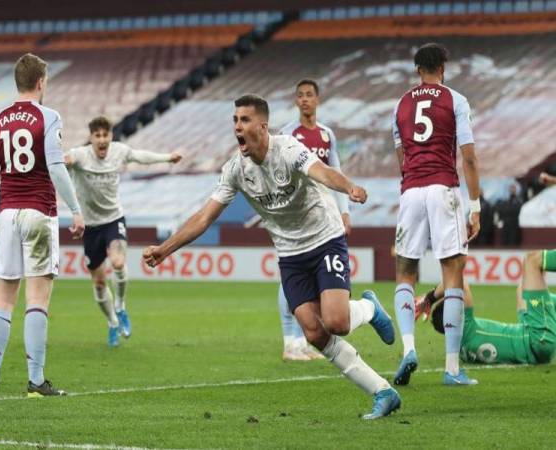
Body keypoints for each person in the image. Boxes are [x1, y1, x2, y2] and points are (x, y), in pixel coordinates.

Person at [143, 94, 401, 420]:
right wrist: (165, 249)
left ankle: (368, 308)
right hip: (290, 254)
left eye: (245, 120)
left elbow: (321, 171)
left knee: (337, 321)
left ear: (262, 126)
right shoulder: (236, 170)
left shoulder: (288, 149)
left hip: (324, 239)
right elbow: (204, 217)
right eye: (235, 120)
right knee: (313, 332)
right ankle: (382, 391)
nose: (237, 126)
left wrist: (348, 187)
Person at [0, 53, 85, 397]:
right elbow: (55, 167)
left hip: (6, 214)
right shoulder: (48, 117)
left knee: (3, 300)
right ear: (40, 82)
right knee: (37, 298)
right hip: (38, 212)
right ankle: (36, 381)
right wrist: (76, 210)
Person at [391, 43, 481, 386]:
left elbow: (401, 160)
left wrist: (413, 182)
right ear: (443, 67)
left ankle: (409, 349)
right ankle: (452, 369)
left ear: (417, 70)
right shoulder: (455, 100)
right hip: (443, 188)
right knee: (453, 273)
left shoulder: (400, 104)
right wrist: (475, 206)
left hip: (411, 191)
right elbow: (469, 158)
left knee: (405, 271)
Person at [64, 116, 181, 347]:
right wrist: (61, 161)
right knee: (98, 284)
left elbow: (141, 157)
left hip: (113, 219)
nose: (102, 140)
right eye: (97, 136)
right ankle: (111, 322)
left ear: (110, 136)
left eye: (105, 135)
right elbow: (62, 162)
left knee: (118, 263)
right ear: (91, 138)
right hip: (90, 226)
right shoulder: (80, 155)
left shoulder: (119, 151)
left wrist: (168, 157)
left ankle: (120, 306)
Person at [276, 78, 350, 361]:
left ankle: (301, 341)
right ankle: (289, 341)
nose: (305, 99)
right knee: (289, 277)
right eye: (301, 95)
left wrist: (344, 212)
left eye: (310, 95)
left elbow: (336, 173)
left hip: (323, 216)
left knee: (312, 283)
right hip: (294, 215)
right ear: (296, 101)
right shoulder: (287, 133)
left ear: (317, 100)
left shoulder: (327, 135)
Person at [417, 250, 556, 365]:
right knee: (532, 260)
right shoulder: (467, 325)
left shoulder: (461, 349)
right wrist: (429, 298)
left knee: (522, 290)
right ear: (456, 315)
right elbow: (459, 281)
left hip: (532, 347)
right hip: (538, 338)